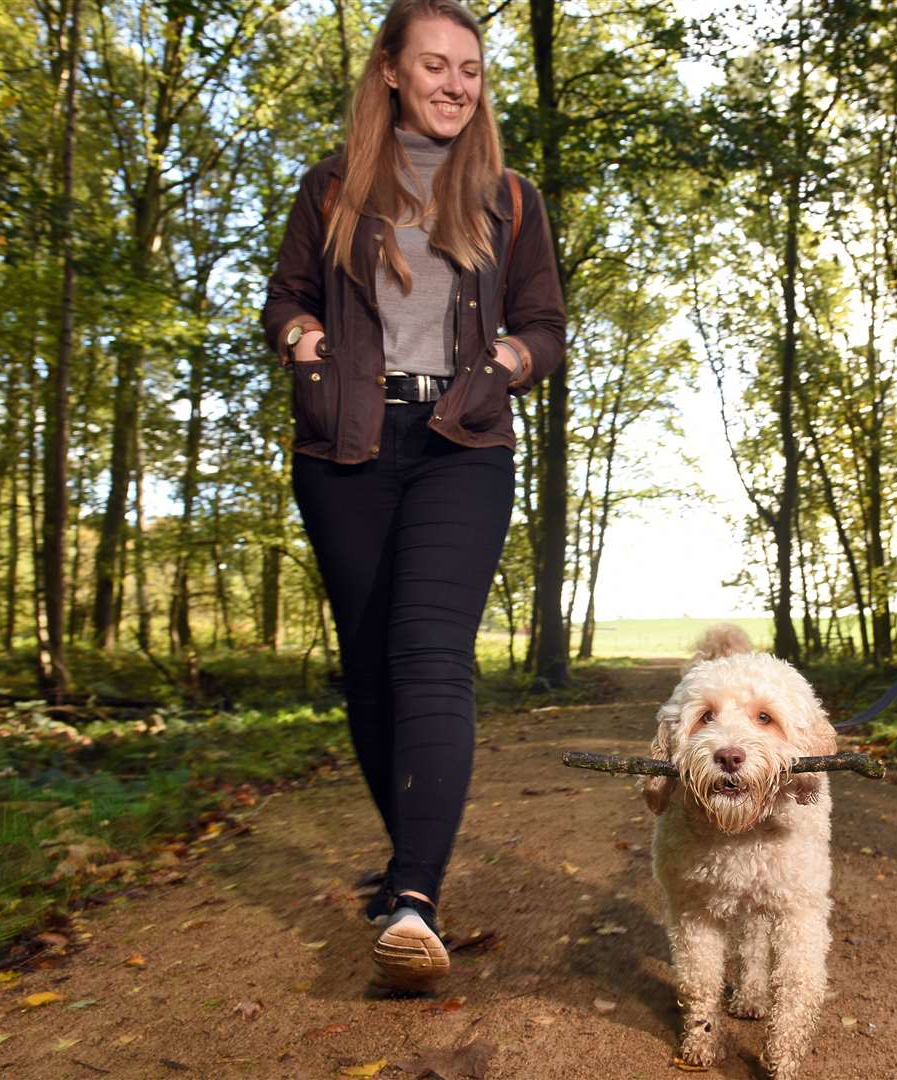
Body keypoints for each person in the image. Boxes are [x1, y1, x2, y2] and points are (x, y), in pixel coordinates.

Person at [261, 0, 565, 991]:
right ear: (389, 71)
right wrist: (300, 336)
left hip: (460, 440)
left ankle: (413, 898)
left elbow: (547, 324)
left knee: (429, 651)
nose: (454, 84)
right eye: (435, 65)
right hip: (343, 446)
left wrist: (514, 357)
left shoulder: (509, 198)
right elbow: (285, 295)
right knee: (372, 665)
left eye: (470, 70)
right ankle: (410, 860)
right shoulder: (334, 187)